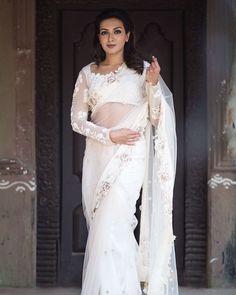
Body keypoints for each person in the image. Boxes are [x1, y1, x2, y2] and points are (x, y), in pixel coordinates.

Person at [70, 8, 178, 295]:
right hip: (98, 156)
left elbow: (156, 117)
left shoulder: (142, 71)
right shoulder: (87, 74)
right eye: (104, 32)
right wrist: (108, 135)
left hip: (130, 157)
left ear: (128, 35)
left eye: (117, 31)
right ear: (98, 37)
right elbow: (77, 121)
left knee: (114, 223)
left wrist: (153, 86)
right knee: (102, 229)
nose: (111, 37)